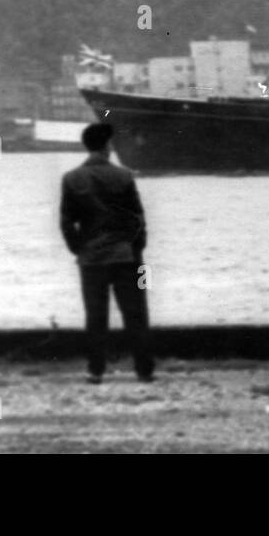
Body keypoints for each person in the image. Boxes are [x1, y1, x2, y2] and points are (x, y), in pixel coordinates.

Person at [60, 123, 154, 383]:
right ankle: (143, 369)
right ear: (107, 146)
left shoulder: (71, 178)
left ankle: (96, 370)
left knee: (95, 316)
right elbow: (138, 218)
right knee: (135, 314)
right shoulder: (124, 176)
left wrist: (79, 249)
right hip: (125, 255)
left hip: (91, 258)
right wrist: (136, 247)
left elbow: (67, 223)